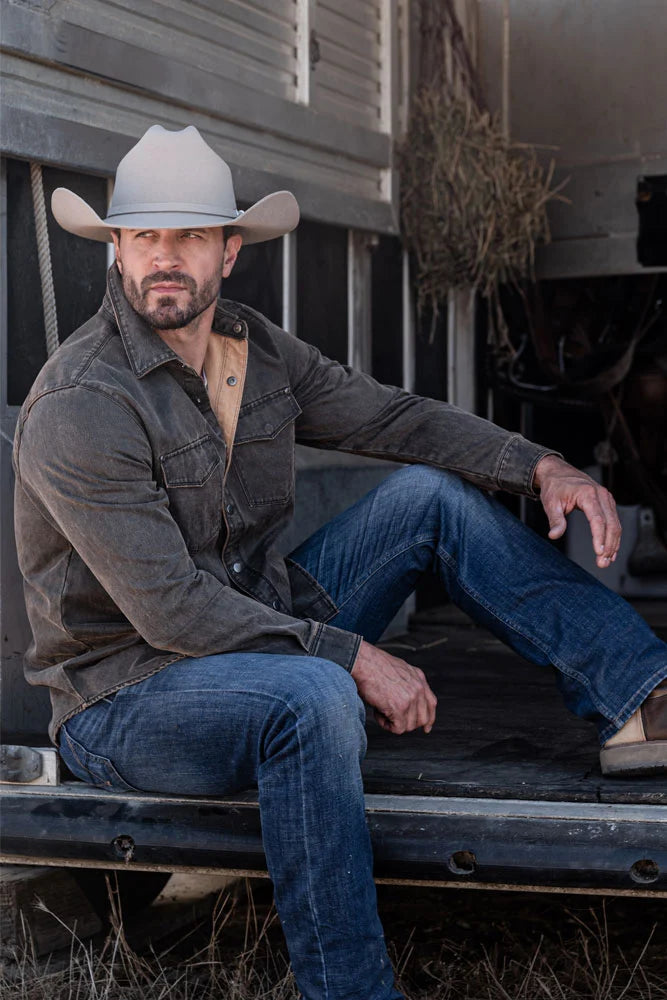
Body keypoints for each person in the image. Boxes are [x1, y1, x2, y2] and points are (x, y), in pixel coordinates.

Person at [13, 125, 666, 1000]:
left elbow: (393, 419)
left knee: (423, 500)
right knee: (314, 693)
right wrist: (351, 654)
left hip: (252, 629)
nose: (162, 259)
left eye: (189, 235)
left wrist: (537, 465)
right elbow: (171, 610)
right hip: (127, 695)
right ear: (116, 249)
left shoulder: (255, 351)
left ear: (230, 250)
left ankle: (639, 699)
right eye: (142, 237)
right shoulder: (82, 400)